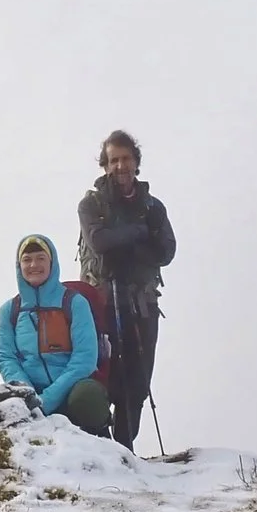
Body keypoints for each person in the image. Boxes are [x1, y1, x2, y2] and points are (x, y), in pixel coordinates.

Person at [76, 129, 175, 450]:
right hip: (100, 303)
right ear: (104, 165)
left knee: (139, 379)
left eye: (126, 159)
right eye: (114, 159)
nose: (120, 165)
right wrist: (138, 234)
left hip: (142, 304)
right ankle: (104, 445)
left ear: (136, 163)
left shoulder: (153, 206)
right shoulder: (91, 204)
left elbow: (167, 251)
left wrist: (127, 243)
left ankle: (125, 446)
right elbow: (99, 243)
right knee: (104, 373)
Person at [0, 235, 110, 437]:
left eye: (41, 258)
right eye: (27, 259)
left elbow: (85, 359)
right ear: (18, 265)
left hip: (71, 391)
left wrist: (47, 399)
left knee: (88, 397)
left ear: (52, 262)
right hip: (30, 394)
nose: (34, 265)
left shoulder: (74, 302)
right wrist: (28, 394)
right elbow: (6, 357)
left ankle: (100, 443)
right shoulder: (9, 310)